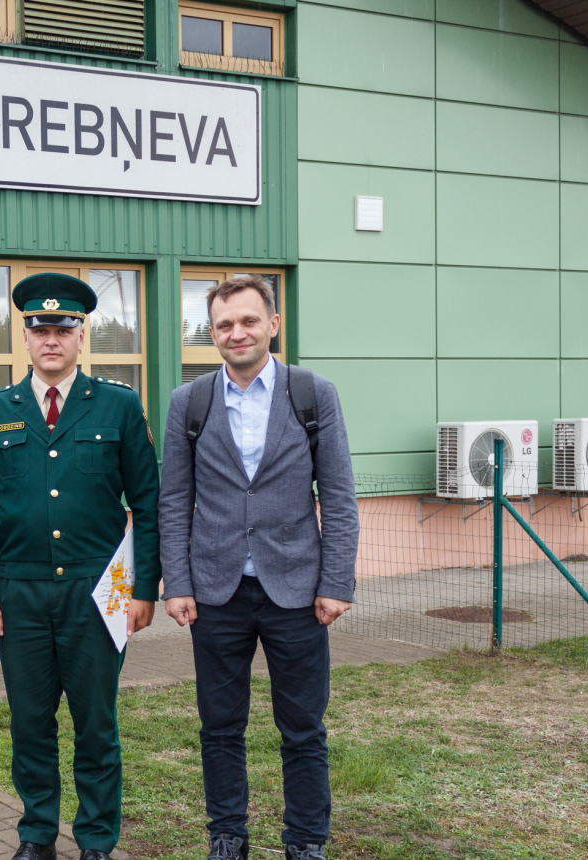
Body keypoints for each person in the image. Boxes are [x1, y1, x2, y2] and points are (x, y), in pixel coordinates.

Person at [0, 272, 161, 860]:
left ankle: (97, 838)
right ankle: (36, 834)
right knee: (30, 723)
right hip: (19, 591)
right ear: (24, 337)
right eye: (40, 329)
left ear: (82, 336)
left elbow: (147, 506)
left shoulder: (119, 407)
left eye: (64, 329)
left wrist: (143, 587)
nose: (52, 339)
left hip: (99, 591)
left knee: (96, 724)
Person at [158, 275, 358, 860]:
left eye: (248, 321)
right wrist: (179, 582)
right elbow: (175, 499)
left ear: (273, 324)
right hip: (216, 592)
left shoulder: (312, 394)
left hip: (296, 589)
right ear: (211, 333)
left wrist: (336, 581)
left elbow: (339, 495)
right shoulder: (188, 402)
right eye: (224, 324)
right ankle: (227, 836)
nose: (236, 333)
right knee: (220, 727)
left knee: (303, 728)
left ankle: (305, 840)